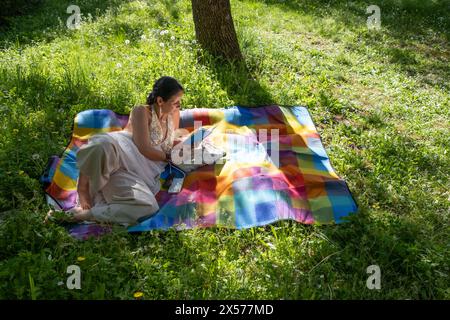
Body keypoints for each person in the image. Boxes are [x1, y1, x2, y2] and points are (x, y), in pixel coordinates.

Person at [48, 76, 184, 226]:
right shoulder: (141, 111)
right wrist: (169, 156)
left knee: (148, 207)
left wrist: (188, 148)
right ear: (160, 101)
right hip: (123, 151)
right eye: (175, 102)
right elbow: (144, 148)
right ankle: (83, 188)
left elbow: (174, 139)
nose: (179, 105)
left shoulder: (174, 114)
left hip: (136, 173)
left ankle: (82, 214)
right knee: (101, 144)